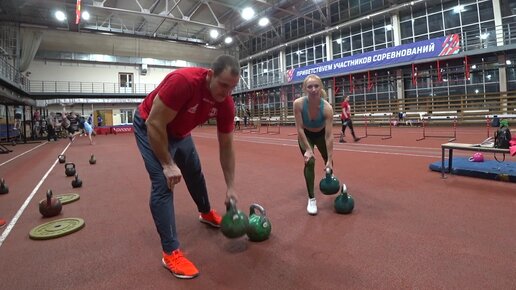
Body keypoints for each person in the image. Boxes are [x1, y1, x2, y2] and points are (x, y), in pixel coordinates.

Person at [133, 55, 240, 279]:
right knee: (164, 182)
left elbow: (227, 146)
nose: (226, 93)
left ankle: (206, 212)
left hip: (180, 133)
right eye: (223, 85)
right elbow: (154, 122)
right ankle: (170, 253)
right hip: (150, 126)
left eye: (232, 88)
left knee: (194, 171)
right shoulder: (184, 82)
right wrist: (167, 164)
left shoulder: (226, 103)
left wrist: (230, 187)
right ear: (210, 75)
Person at [293, 74, 335, 215]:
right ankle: (311, 199)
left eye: (316, 86)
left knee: (327, 160)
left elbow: (329, 136)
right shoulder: (298, 104)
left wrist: (329, 160)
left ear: (321, 87)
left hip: (322, 135)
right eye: (309, 86)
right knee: (309, 161)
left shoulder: (327, 108)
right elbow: (299, 129)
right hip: (306, 135)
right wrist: (309, 150)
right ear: (305, 89)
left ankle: (329, 175)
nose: (313, 89)